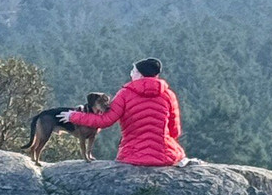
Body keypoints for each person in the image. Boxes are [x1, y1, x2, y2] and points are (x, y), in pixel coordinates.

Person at [58, 57, 189, 167]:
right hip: (166, 156)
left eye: (133, 71)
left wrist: (73, 116)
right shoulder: (169, 95)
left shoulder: (125, 94)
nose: (131, 74)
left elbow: (105, 121)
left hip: (133, 156)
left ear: (140, 75)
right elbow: (175, 132)